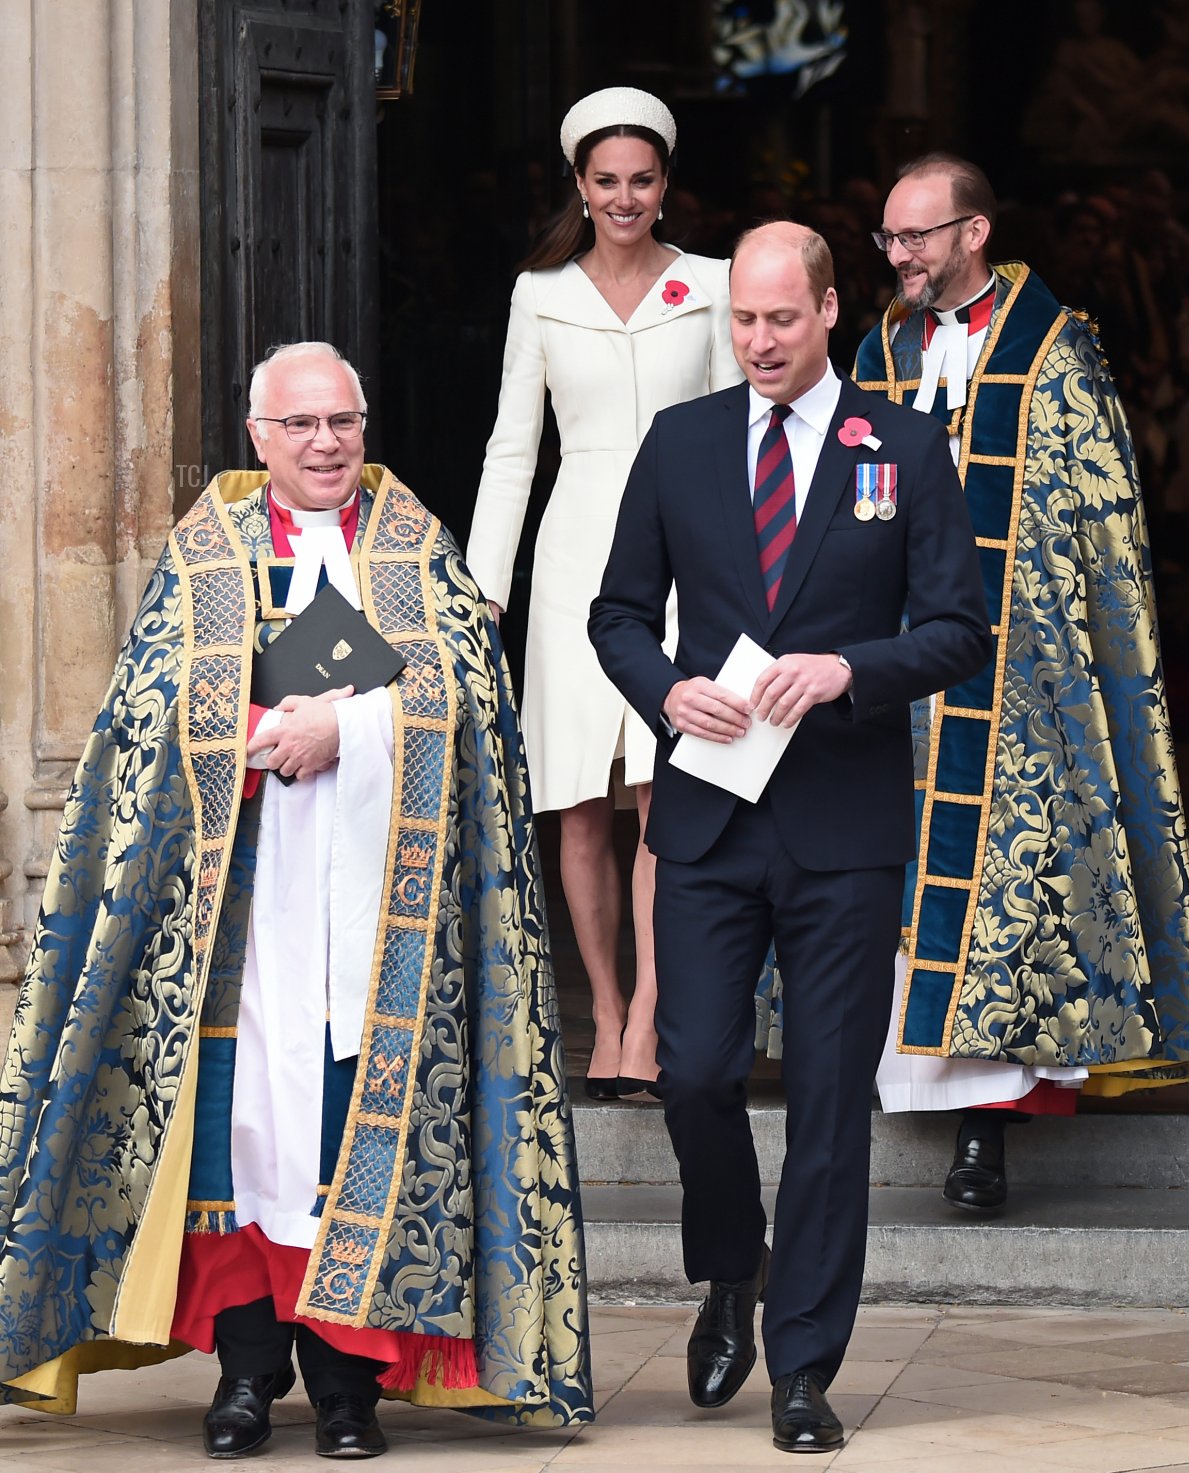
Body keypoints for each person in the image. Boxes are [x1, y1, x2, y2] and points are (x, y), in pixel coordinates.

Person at [0, 342, 593, 1458]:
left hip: (384, 911)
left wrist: (350, 729)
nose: (327, 445)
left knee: (348, 1136)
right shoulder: (206, 557)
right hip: (242, 913)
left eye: (344, 423)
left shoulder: (418, 550)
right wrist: (252, 732)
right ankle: (244, 1375)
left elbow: (473, 703)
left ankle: (347, 1389)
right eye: (303, 426)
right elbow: (144, 712)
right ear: (258, 437)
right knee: (238, 1140)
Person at [588, 222, 990, 1454]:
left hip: (845, 828)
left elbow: (958, 631)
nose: (757, 341)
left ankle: (805, 1366)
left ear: (827, 311)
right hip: (707, 816)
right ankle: (732, 1270)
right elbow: (615, 615)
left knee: (826, 1103)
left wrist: (846, 671)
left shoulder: (904, 447)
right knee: (697, 1070)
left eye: (779, 319)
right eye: (742, 322)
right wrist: (665, 690)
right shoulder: (684, 442)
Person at [855, 153, 1189, 1214]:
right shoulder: (877, 348)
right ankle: (898, 1093)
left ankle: (984, 1138)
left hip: (1016, 674)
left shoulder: (1056, 352)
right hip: (895, 671)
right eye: (888, 240)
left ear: (974, 233)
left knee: (1007, 898)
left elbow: (1098, 528)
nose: (900, 256)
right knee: (896, 886)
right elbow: (857, 491)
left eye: (916, 237)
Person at [466, 87, 743, 1101]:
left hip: (691, 557)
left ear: (665, 186)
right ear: (579, 186)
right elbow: (509, 451)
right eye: (606, 180)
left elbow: (738, 434)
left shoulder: (713, 286)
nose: (624, 197)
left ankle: (658, 1017)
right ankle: (608, 1008)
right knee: (578, 802)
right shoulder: (540, 294)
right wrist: (484, 592)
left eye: (642, 179)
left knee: (665, 794)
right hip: (578, 551)